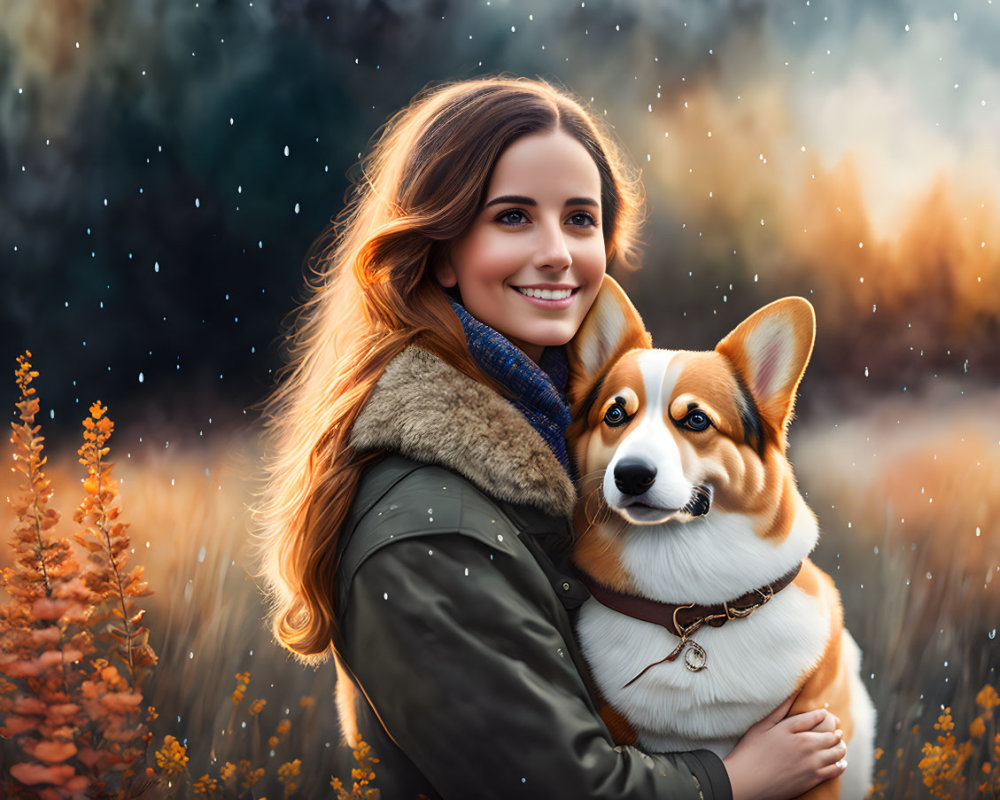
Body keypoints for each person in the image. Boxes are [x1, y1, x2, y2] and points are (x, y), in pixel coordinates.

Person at [257, 76, 848, 799]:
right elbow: (557, 787)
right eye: (512, 218)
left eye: (579, 219)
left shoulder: (560, 442)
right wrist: (732, 779)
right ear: (441, 250)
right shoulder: (427, 528)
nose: (558, 253)